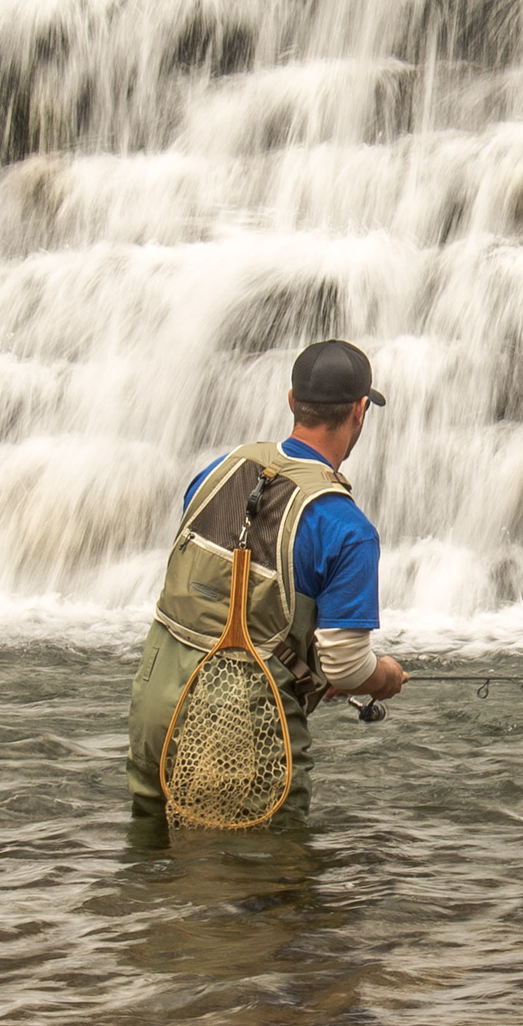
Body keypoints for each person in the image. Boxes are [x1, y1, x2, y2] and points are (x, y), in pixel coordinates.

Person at [127, 339, 406, 823]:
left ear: (293, 401)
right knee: (264, 885)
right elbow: (346, 667)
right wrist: (383, 676)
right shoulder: (345, 527)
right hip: (240, 741)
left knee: (152, 875)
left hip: (155, 711)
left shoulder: (219, 470)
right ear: (360, 411)